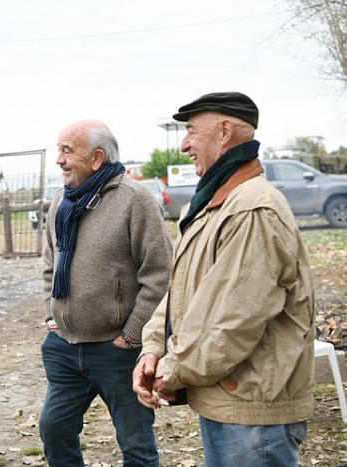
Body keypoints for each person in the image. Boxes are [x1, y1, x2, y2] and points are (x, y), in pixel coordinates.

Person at [133, 92, 316, 467]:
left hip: (254, 413)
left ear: (224, 131)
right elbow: (180, 293)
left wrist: (169, 371)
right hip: (230, 403)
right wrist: (152, 348)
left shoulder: (252, 209)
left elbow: (235, 321)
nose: (184, 144)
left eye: (191, 132)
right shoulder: (213, 205)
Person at [39, 119, 173, 467]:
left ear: (97, 158)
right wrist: (52, 319)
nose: (59, 159)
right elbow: (49, 269)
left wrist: (131, 336)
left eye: (67, 151)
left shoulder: (135, 199)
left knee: (136, 445)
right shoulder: (60, 202)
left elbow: (160, 275)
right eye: (59, 150)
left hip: (117, 351)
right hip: (65, 348)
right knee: (54, 430)